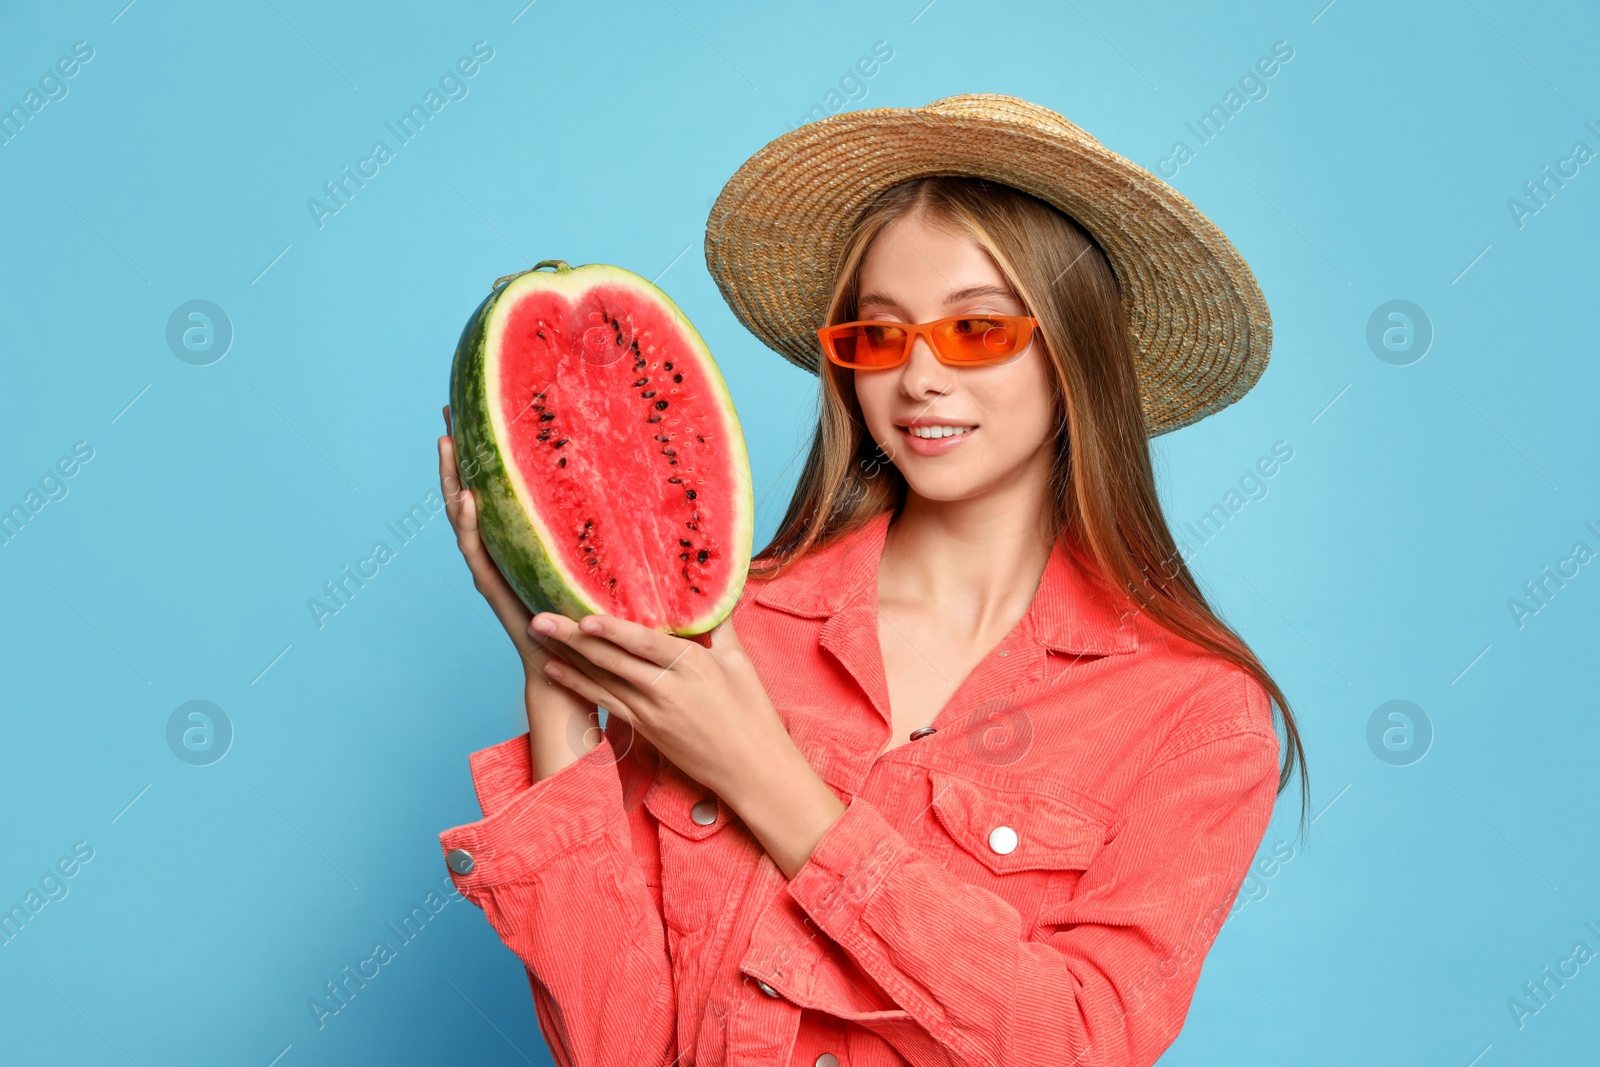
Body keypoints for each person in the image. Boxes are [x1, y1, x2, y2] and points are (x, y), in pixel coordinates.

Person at [435, 93, 1309, 1067]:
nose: (919, 378)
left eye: (977, 330)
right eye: (879, 337)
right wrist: (559, 689)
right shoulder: (728, 633)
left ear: (1076, 356)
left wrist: (763, 775)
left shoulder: (1194, 714)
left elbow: (1074, 1041)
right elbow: (619, 1046)